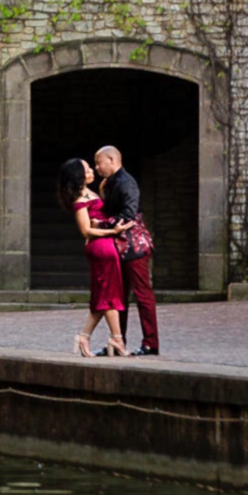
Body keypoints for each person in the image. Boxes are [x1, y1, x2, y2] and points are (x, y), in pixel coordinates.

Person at [56, 157, 128, 357]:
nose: (92, 171)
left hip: (105, 246)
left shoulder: (93, 192)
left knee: (102, 296)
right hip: (101, 247)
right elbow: (86, 231)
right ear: (79, 176)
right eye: (87, 169)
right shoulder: (80, 200)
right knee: (108, 294)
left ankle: (84, 336)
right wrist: (113, 231)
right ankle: (116, 338)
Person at [94, 145, 159, 357]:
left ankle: (150, 343)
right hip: (119, 246)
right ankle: (117, 342)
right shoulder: (111, 183)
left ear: (112, 160)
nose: (97, 168)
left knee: (142, 295)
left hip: (133, 247)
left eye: (99, 163)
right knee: (118, 297)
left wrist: (101, 225)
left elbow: (129, 214)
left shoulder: (126, 183)